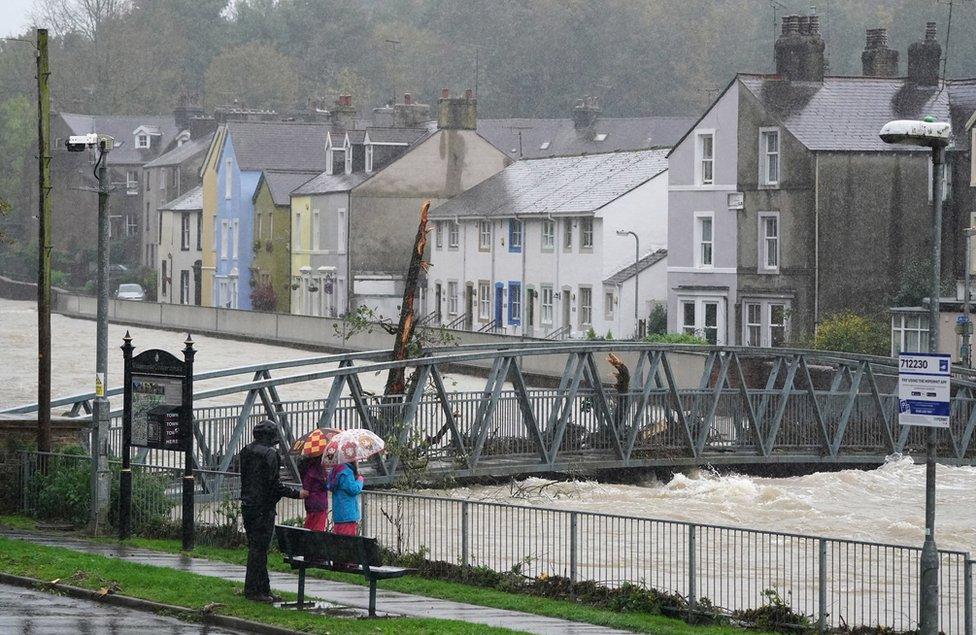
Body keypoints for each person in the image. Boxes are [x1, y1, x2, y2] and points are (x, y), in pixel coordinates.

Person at [239, 420, 308, 602]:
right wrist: (296, 494)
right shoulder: (271, 454)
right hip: (263, 508)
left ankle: (260, 589)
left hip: (248, 505)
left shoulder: (245, 451)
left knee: (255, 548)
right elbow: (274, 485)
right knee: (260, 550)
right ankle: (256, 591)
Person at [326, 460, 364, 536]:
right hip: (347, 514)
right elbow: (353, 489)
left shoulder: (335, 470)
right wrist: (360, 480)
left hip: (338, 513)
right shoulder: (346, 472)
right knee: (347, 542)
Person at [299, 455, 328, 531]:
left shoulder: (307, 469)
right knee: (318, 531)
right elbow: (326, 485)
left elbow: (306, 487)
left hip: (310, 504)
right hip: (320, 504)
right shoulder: (319, 471)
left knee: (309, 529)